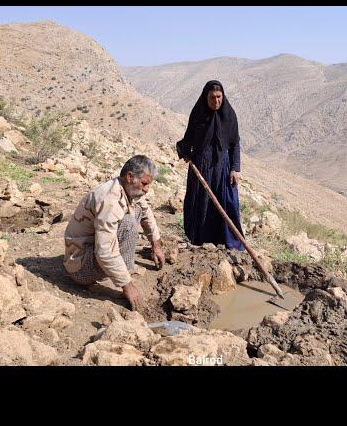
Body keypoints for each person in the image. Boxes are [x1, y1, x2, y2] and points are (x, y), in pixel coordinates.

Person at [63, 155, 165, 311]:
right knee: (128, 224)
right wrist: (127, 285)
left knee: (136, 211)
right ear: (130, 177)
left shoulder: (126, 188)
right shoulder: (110, 200)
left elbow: (145, 212)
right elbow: (104, 251)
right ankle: (116, 278)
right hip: (81, 267)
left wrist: (156, 244)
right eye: (144, 184)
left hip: (91, 252)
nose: (146, 189)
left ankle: (120, 272)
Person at [176, 80, 246, 253]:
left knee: (226, 203)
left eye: (219, 97)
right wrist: (186, 153)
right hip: (201, 166)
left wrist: (235, 168)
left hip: (223, 167)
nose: (216, 101)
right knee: (201, 202)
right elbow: (189, 137)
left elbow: (235, 144)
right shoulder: (198, 114)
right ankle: (199, 238)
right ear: (205, 97)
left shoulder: (229, 115)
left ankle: (226, 240)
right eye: (212, 97)